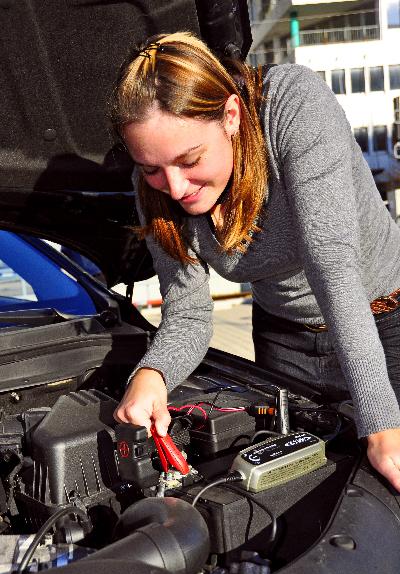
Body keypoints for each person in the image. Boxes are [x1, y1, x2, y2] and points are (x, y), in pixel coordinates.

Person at [111, 31, 400, 492]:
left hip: (385, 324)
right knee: (297, 486)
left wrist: (382, 422)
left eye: (190, 160)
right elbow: (187, 313)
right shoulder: (156, 185)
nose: (176, 186)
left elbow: (331, 265)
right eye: (151, 168)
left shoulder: (292, 105)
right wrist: (153, 373)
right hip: (284, 339)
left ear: (230, 115)